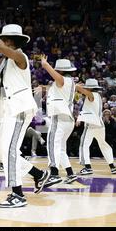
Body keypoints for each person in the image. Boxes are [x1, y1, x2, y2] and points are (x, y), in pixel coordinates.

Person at [0, 24, 50, 208]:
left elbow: (0, 47)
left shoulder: (20, 56)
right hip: (7, 109)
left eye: (5, 39)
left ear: (13, 41)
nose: (2, 42)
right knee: (3, 152)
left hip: (19, 108)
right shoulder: (5, 63)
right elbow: (1, 85)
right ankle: (38, 175)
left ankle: (18, 194)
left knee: (9, 150)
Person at [40, 56, 78, 187]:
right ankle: (70, 173)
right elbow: (57, 86)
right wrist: (44, 88)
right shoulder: (69, 81)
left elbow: (59, 79)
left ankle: (54, 174)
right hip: (68, 120)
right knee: (61, 149)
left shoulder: (64, 80)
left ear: (60, 71)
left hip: (59, 118)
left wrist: (45, 65)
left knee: (52, 145)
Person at [76, 78, 116, 175]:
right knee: (103, 144)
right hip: (100, 125)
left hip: (91, 124)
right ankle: (112, 167)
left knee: (84, 144)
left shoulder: (92, 95)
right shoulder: (98, 95)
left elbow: (81, 89)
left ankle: (87, 167)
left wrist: (76, 85)